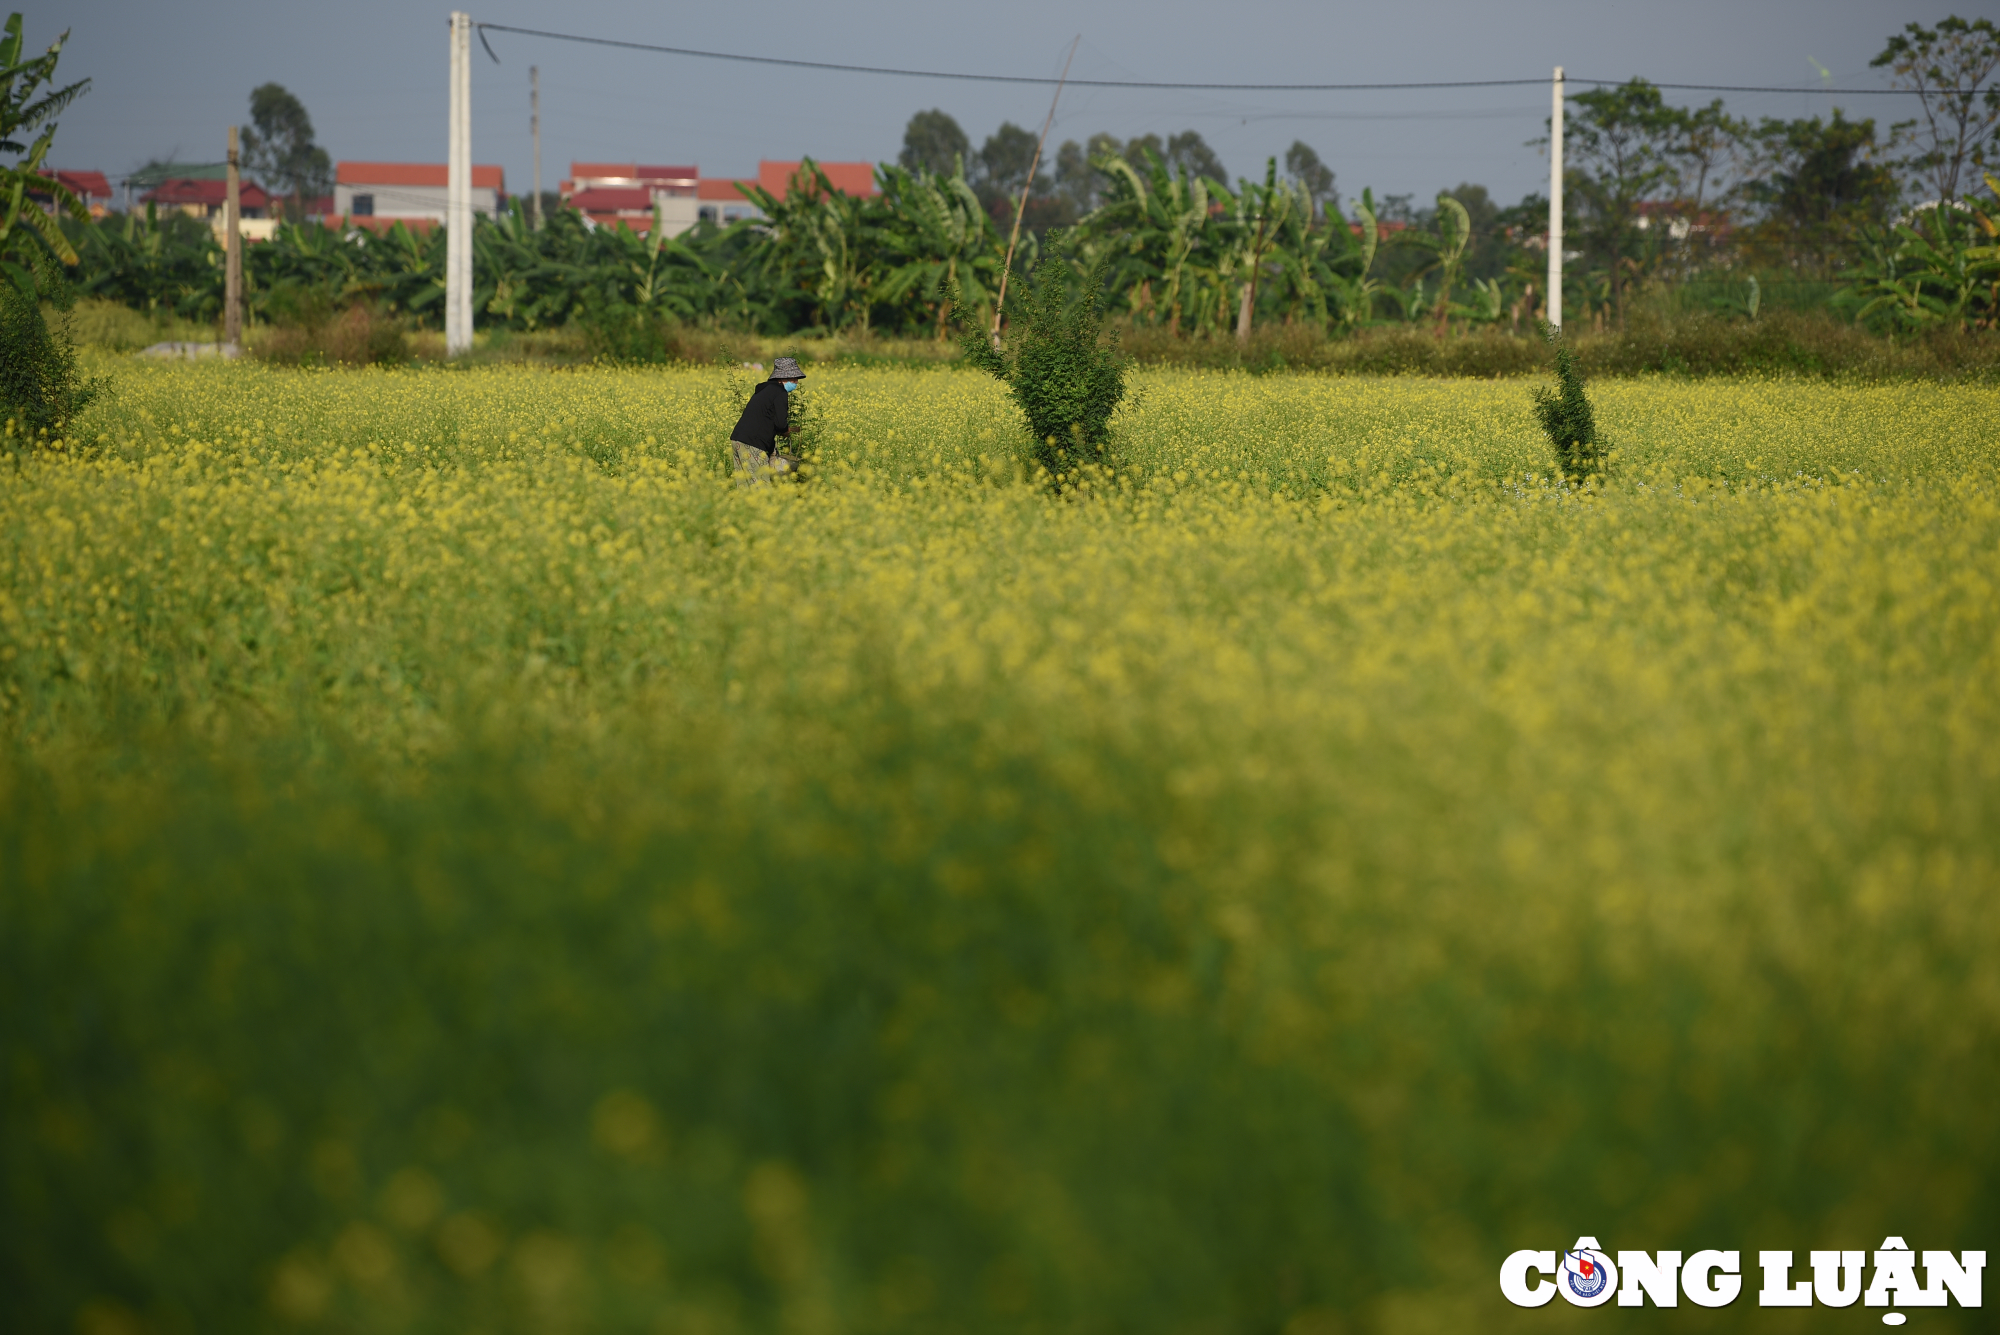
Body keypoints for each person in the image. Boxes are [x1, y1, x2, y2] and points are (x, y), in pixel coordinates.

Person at [729, 356, 805, 482]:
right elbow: (781, 424)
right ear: (783, 378)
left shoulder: (764, 390)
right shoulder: (780, 393)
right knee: (761, 488)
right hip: (753, 444)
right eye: (794, 378)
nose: (796, 382)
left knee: (744, 487)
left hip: (738, 440)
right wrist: (785, 430)